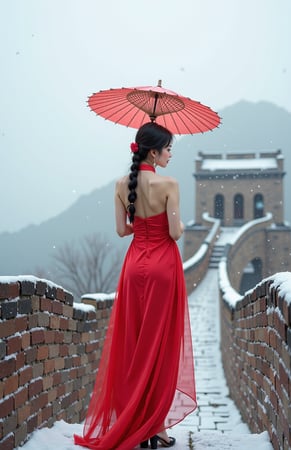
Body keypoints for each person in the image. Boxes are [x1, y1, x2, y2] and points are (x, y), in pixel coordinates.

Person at [74, 122, 196, 449]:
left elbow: (120, 231)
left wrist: (140, 221)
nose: (171, 154)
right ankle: (155, 427)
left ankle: (134, 420)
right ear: (154, 151)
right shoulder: (169, 183)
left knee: (134, 344)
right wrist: (180, 224)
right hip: (163, 267)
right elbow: (173, 232)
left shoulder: (119, 184)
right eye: (168, 148)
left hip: (134, 267)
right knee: (159, 346)